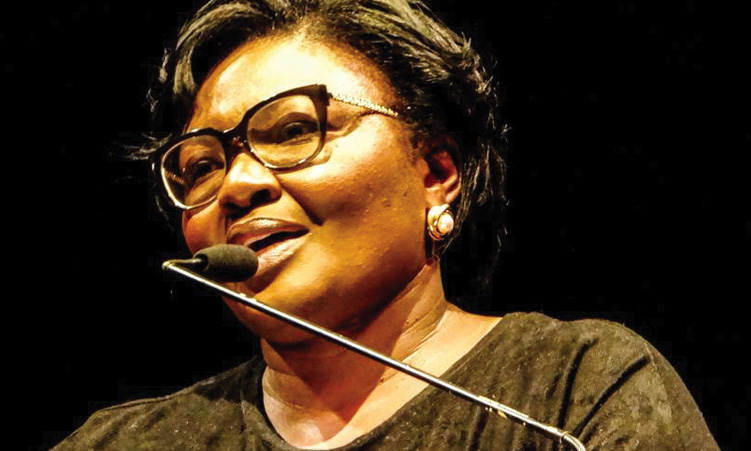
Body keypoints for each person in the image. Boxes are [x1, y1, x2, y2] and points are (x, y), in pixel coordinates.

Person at [52, 0, 720, 449]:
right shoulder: (120, 442)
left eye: (294, 130)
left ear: (435, 174)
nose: (236, 185)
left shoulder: (572, 390)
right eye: (201, 166)